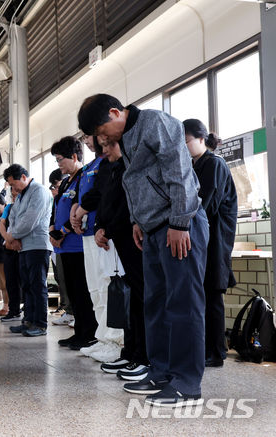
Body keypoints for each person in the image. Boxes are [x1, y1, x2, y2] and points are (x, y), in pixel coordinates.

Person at [78, 94, 208, 408]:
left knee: (183, 304)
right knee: (155, 304)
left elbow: (178, 171)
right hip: (151, 229)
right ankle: (161, 371)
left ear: (114, 112)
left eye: (100, 130)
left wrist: (179, 221)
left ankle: (186, 384)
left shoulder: (154, 122)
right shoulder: (127, 138)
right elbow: (134, 183)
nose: (101, 139)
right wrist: (138, 221)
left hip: (178, 226)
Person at [184, 119, 237, 368]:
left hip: (214, 237)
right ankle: (205, 347)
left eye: (187, 142)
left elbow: (206, 204)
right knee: (202, 293)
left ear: (201, 138)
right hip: (201, 236)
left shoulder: (213, 163)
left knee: (213, 292)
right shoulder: (195, 165)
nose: (184, 148)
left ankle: (216, 352)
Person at [94, 140, 149, 381]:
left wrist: (109, 228)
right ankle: (131, 351)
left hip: (133, 237)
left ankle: (145, 356)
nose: (104, 151)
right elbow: (105, 201)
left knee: (141, 297)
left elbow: (129, 205)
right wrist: (100, 226)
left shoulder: (132, 165)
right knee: (131, 299)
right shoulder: (113, 167)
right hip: (118, 237)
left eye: (108, 145)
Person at [70, 136, 124, 363]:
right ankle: (103, 338)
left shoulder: (112, 161)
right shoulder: (93, 165)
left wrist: (82, 208)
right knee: (95, 289)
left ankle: (117, 341)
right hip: (90, 230)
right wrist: (77, 208)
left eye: (88, 135)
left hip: (106, 233)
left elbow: (101, 193)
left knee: (109, 287)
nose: (86, 141)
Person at [50, 137, 98, 350]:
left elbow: (81, 209)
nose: (58, 164)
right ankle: (79, 331)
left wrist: (62, 231)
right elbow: (57, 209)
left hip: (78, 244)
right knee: (72, 292)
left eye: (61, 159)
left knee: (82, 292)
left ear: (75, 156)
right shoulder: (67, 181)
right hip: (64, 246)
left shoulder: (84, 177)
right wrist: (53, 230)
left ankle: (88, 334)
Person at [2, 164, 53, 337]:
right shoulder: (22, 195)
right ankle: (28, 321)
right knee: (27, 286)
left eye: (13, 183)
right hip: (22, 247)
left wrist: (12, 237)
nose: (12, 188)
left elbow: (30, 220)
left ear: (23, 177)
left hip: (38, 246)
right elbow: (13, 217)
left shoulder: (39, 191)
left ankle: (40, 324)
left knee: (38, 286)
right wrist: (12, 238)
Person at [48, 169, 74, 327]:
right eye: (51, 187)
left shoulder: (70, 194)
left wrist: (61, 233)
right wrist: (53, 233)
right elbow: (53, 218)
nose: (53, 190)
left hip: (71, 242)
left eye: (55, 186)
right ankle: (69, 311)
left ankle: (76, 312)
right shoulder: (57, 200)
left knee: (75, 281)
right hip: (58, 245)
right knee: (63, 280)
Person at [0, 187, 23, 322]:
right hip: (8, 247)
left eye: (17, 194)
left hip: (21, 247)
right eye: (12, 195)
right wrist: (7, 238)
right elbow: (2, 224)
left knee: (24, 281)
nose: (15, 197)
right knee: (10, 281)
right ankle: (13, 311)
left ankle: (28, 310)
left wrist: (14, 240)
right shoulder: (8, 208)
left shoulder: (25, 206)